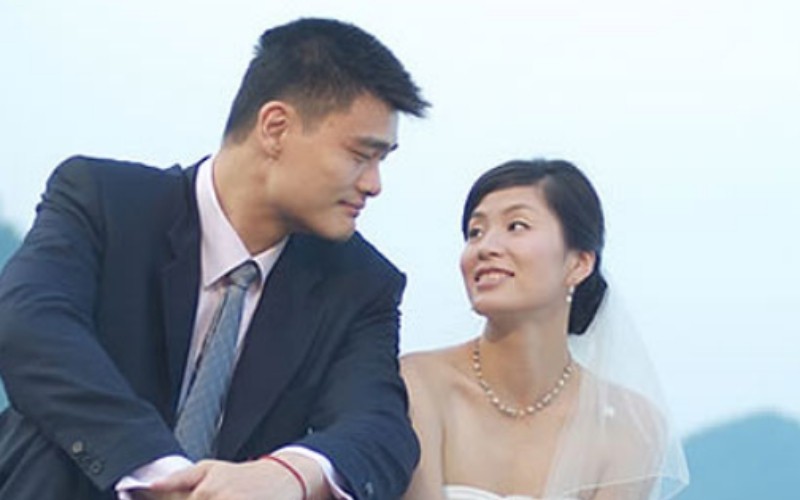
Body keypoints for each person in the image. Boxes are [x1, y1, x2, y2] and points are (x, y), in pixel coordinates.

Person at [0, 17, 429, 500]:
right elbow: (29, 327)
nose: (374, 184)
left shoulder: (361, 283)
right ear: (276, 128)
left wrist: (286, 474)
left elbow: (379, 427)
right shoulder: (104, 202)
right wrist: (159, 472)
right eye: (360, 155)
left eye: (381, 161)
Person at [401, 159, 689, 499]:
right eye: (475, 232)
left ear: (578, 264)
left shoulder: (631, 425)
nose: (485, 247)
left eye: (516, 226)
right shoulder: (417, 385)